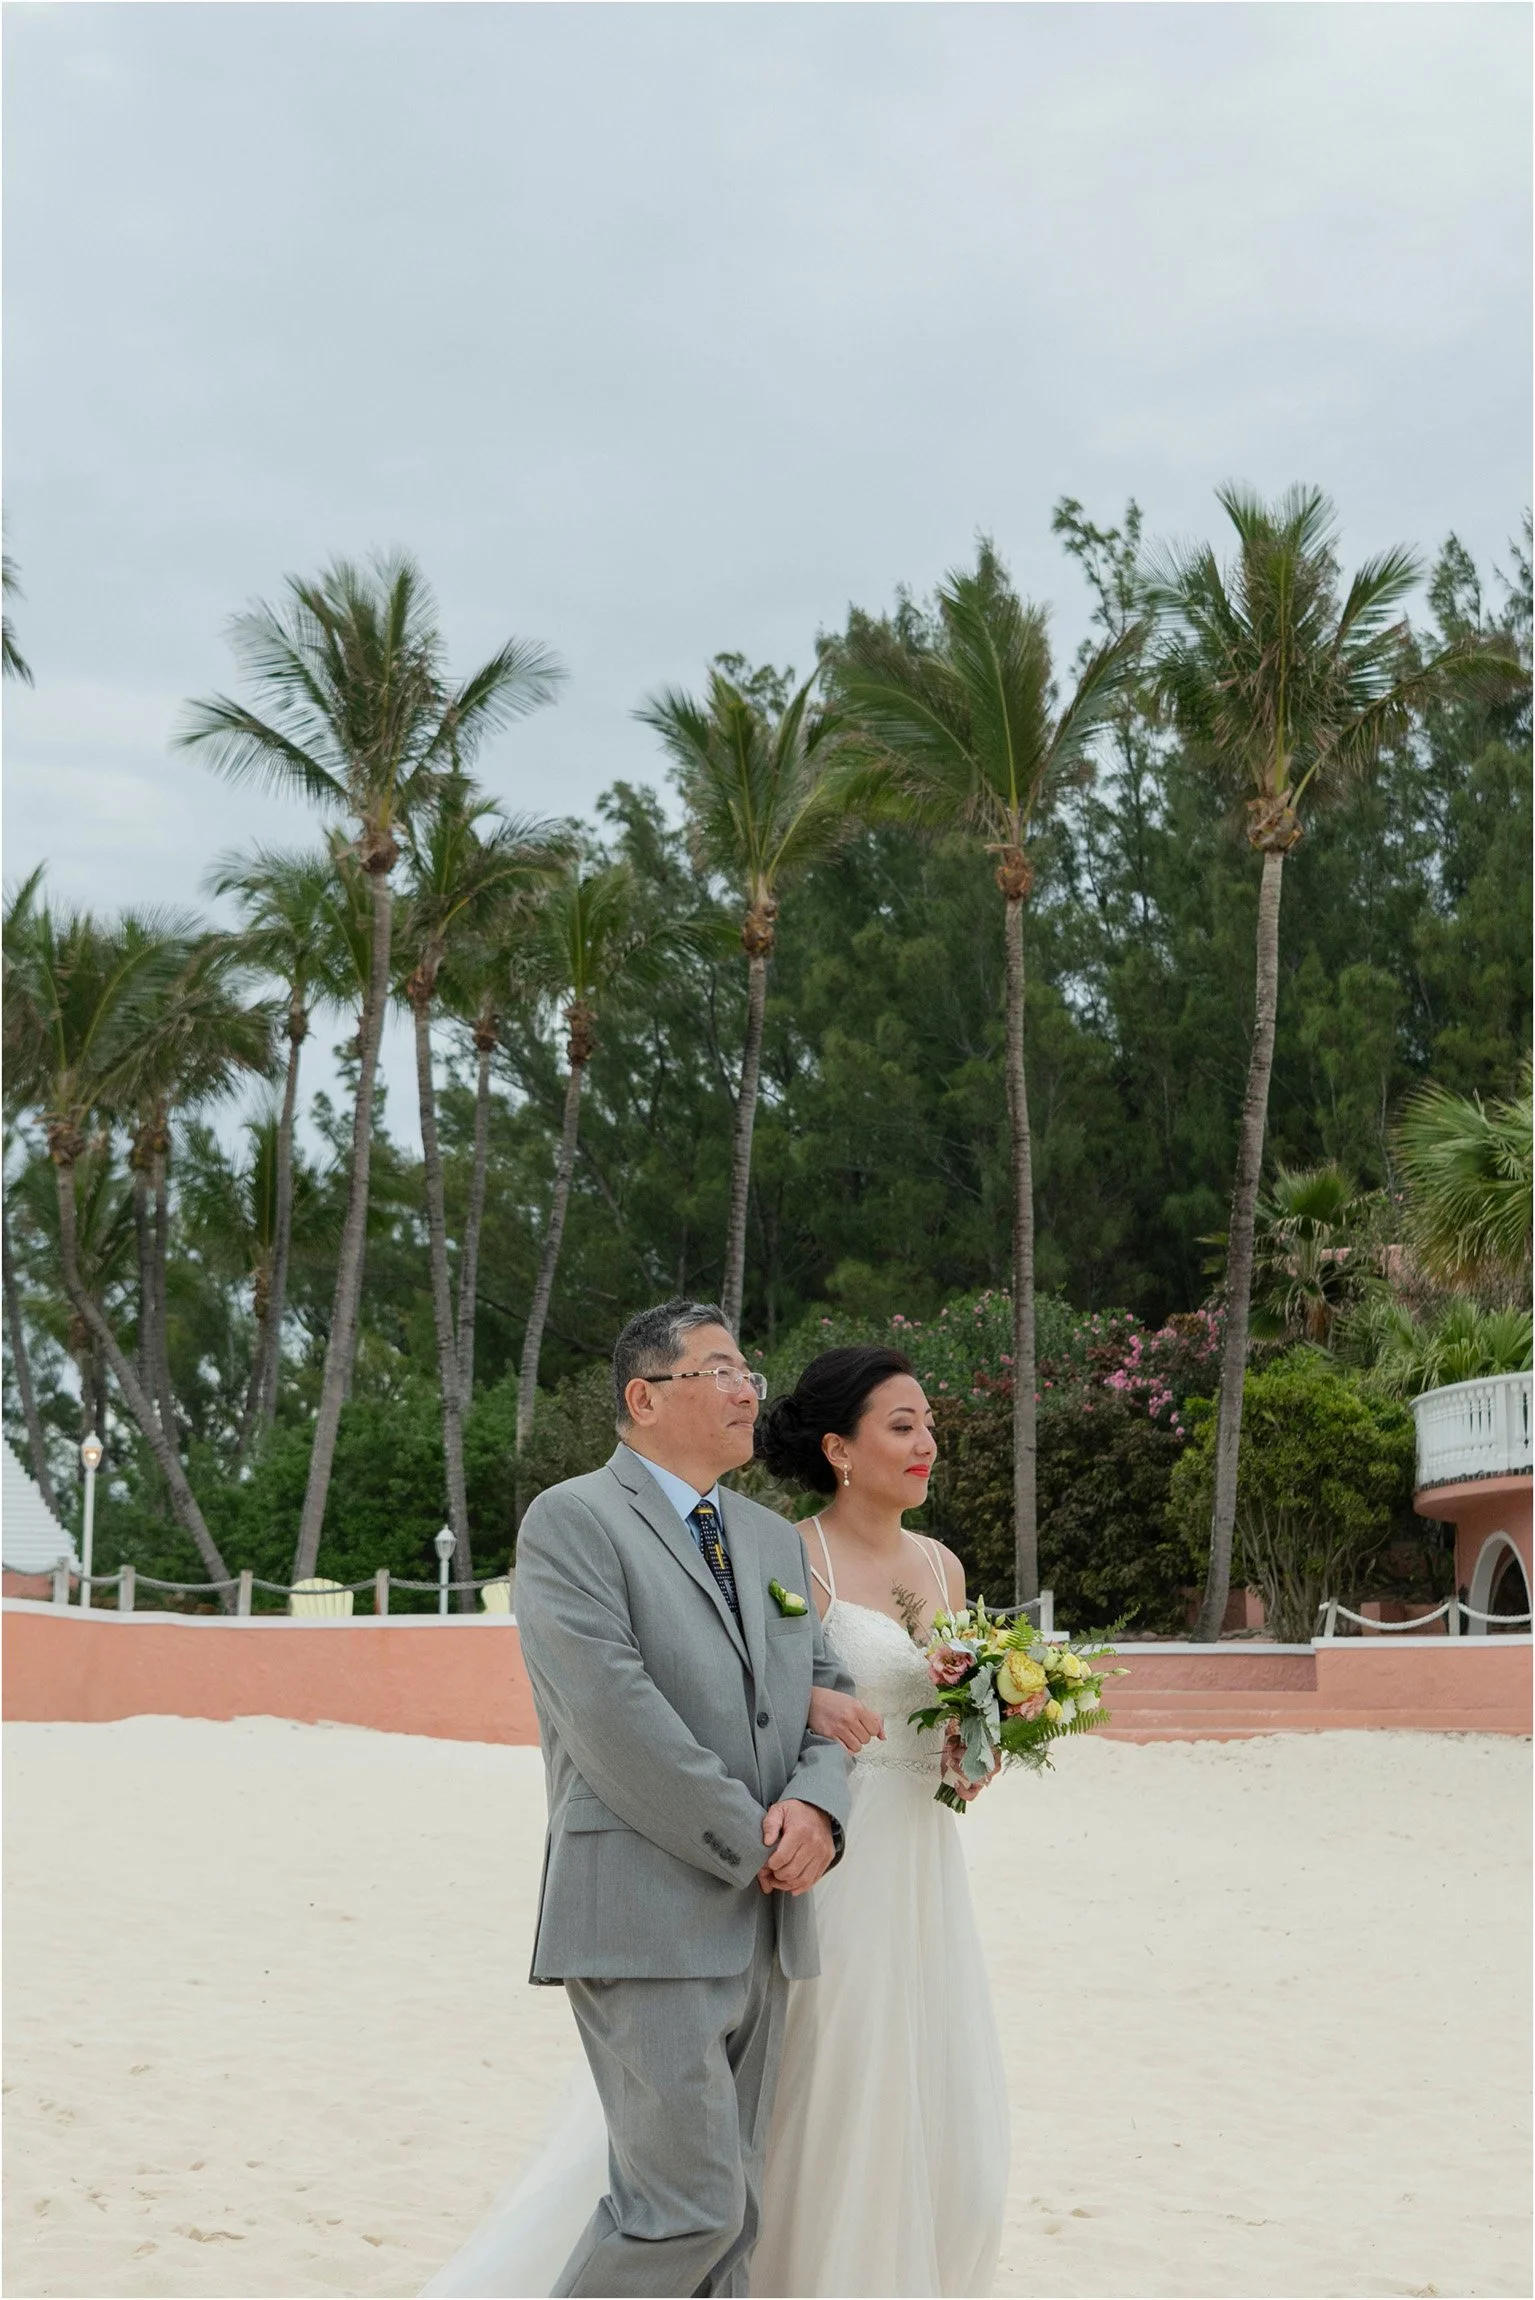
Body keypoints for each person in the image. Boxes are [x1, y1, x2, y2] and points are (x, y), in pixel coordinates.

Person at [424, 1336, 1008, 2300]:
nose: (747, 1389)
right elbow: (617, 1718)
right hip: (652, 1905)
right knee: (685, 2211)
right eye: (721, 1371)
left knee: (738, 2208)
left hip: (780, 1914)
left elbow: (815, 1688)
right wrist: (767, 1840)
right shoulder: (571, 1520)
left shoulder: (763, 1538)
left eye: (749, 1374)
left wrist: (820, 1809)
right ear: (644, 1398)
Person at [747, 1345, 1009, 2298]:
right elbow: (754, 1689)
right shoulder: (790, 1556)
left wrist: (975, 1744)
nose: (926, 1443)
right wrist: (810, 1708)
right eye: (902, 1426)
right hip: (839, 1847)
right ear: (839, 1449)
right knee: (841, 2081)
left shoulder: (942, 1565)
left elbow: (947, 1701)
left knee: (945, 2112)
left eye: (929, 1425)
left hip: (925, 1854)